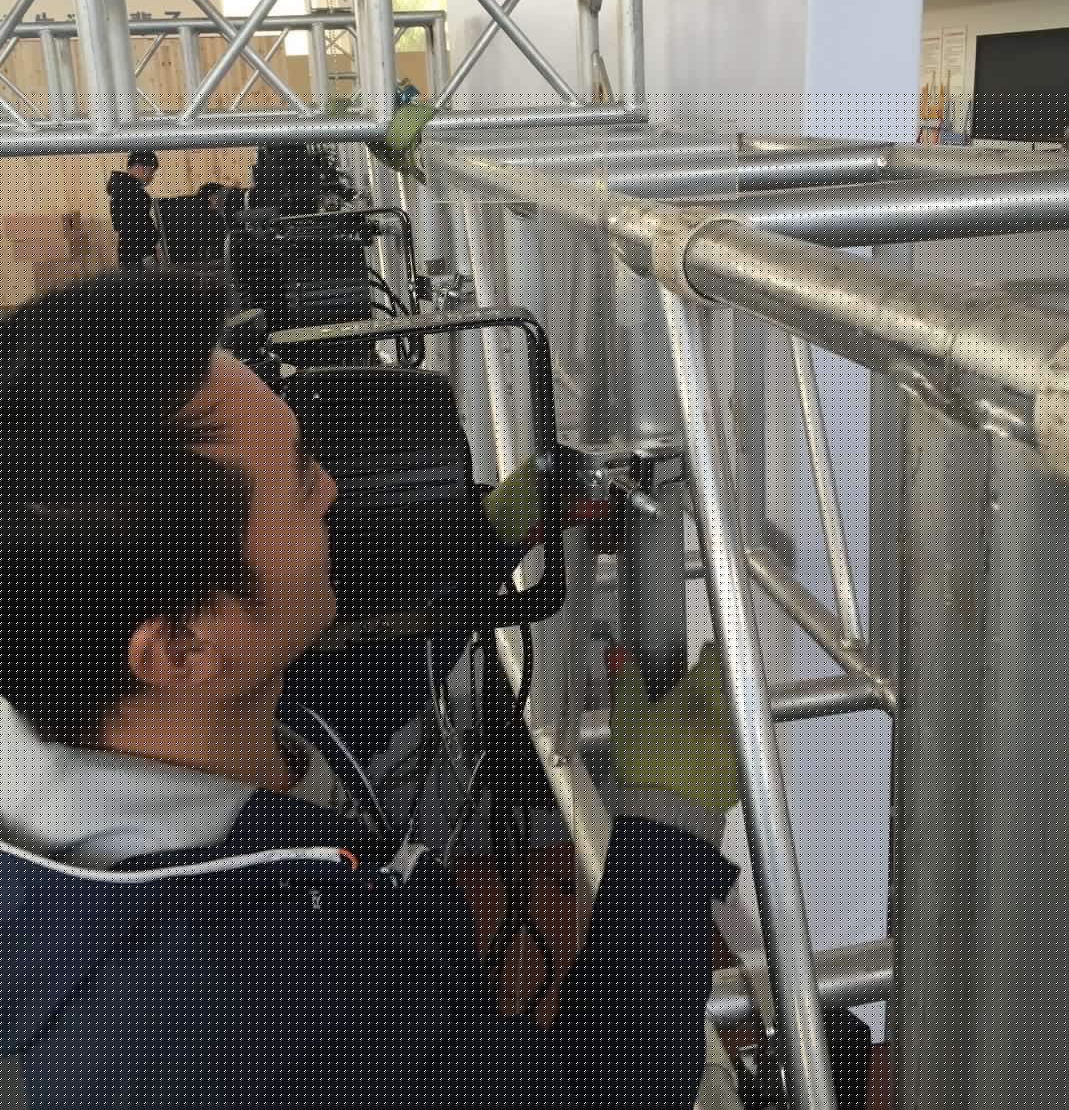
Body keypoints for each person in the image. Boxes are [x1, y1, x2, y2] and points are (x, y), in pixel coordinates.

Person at [0, 269, 741, 1110]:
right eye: (298, 481)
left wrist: (478, 548)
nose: (330, 489)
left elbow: (322, 713)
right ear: (180, 646)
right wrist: (669, 830)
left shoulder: (102, 711)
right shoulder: (248, 1033)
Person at [106, 150, 160, 268]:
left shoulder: (123, 189)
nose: (152, 177)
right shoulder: (131, 192)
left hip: (131, 254)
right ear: (140, 168)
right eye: (151, 172)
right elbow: (135, 228)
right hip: (139, 256)